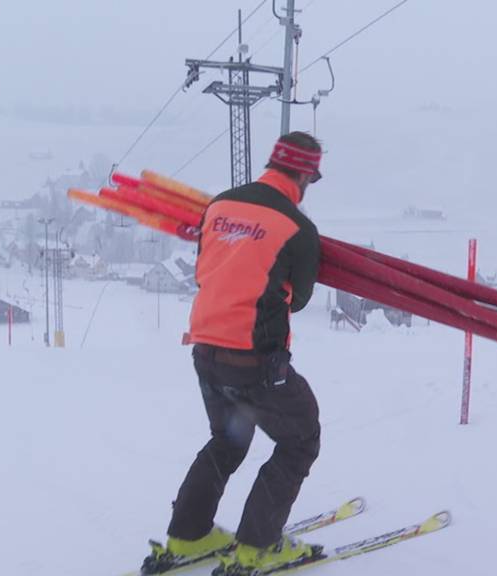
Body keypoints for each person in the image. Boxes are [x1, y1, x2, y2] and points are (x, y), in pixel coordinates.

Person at [142, 132, 324, 576]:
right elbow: (297, 299)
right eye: (311, 179)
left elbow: (209, 265)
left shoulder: (218, 206)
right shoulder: (298, 229)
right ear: (303, 172)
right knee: (300, 440)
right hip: (255, 360)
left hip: (206, 349)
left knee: (228, 440)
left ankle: (188, 536)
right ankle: (256, 549)